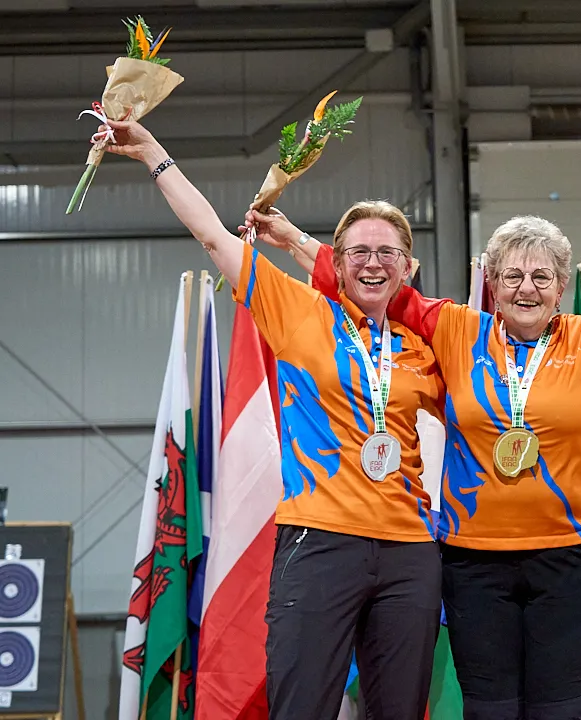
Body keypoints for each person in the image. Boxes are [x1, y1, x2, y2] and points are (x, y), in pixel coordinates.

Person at [244, 196, 581, 720]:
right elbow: (374, 280)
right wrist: (293, 240)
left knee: (560, 711)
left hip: (569, 558)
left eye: (541, 276)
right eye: (511, 276)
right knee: (490, 712)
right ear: (491, 285)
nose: (526, 288)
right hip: (473, 563)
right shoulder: (455, 330)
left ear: (561, 288)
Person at [100, 119, 446, 720]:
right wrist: (153, 150)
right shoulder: (298, 311)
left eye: (387, 253)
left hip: (410, 553)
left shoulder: (426, 347)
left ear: (408, 269)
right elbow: (210, 233)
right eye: (357, 252)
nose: (372, 263)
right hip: (319, 542)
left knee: (400, 710)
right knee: (302, 707)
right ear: (335, 265)